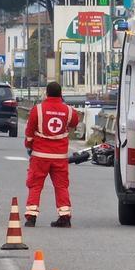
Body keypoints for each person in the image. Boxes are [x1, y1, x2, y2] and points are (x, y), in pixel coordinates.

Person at [24, 81, 79, 228]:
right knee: (61, 186)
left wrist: (29, 146)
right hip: (60, 157)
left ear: (46, 93)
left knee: (35, 185)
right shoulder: (69, 110)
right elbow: (74, 122)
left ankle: (31, 217)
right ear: (61, 94)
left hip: (40, 155)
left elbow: (29, 131)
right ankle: (65, 216)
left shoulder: (38, 109)